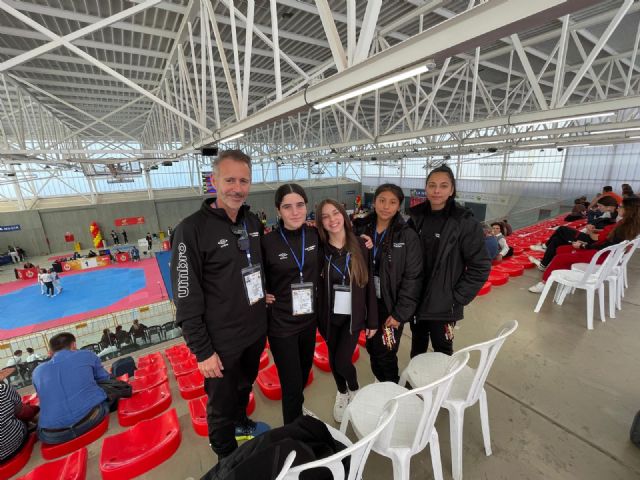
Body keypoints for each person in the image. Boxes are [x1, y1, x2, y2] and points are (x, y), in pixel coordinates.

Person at [170, 149, 269, 460]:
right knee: (220, 404)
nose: (237, 188)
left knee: (244, 388)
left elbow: (251, 268)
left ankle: (241, 425)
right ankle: (226, 459)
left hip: (254, 331)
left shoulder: (252, 221)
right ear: (213, 181)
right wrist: (202, 351)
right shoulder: (191, 229)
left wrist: (261, 292)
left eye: (244, 181)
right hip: (221, 341)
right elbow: (185, 295)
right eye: (229, 180)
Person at [408, 165, 491, 357]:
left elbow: (481, 265)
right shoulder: (416, 217)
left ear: (452, 190)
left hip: (445, 308)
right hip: (417, 300)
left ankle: (442, 387)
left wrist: (457, 298)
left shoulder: (465, 222)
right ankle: (416, 385)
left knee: (444, 348)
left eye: (444, 186)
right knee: (417, 346)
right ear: (426, 188)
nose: (437, 191)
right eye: (432, 185)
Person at [261, 184, 320, 424]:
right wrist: (260, 292)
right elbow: (248, 272)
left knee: (304, 375)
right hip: (282, 325)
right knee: (292, 385)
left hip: (309, 320)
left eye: (300, 205)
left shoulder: (317, 235)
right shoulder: (267, 243)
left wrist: (364, 240)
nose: (295, 212)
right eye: (287, 207)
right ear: (278, 210)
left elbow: (343, 244)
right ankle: (293, 434)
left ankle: (298, 413)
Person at [316, 199, 377, 422]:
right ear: (320, 222)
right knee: (333, 359)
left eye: (335, 213)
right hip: (329, 317)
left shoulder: (360, 245)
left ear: (344, 214)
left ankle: (354, 389)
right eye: (325, 216)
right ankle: (341, 393)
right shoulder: (320, 249)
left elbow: (368, 284)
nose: (332, 219)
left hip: (353, 316)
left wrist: (372, 320)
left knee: (342, 361)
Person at [353, 184, 422, 383]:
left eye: (392, 202)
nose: (386, 206)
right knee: (373, 348)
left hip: (391, 305)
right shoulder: (360, 227)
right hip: (367, 302)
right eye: (382, 200)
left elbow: (413, 276)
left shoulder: (407, 235)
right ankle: (382, 380)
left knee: (386, 352)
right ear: (374, 202)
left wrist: (400, 313)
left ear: (399, 205)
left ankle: (392, 389)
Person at [529, 196, 640, 293]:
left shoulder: (623, 227)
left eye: (621, 206)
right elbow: (607, 244)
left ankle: (544, 283)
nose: (618, 207)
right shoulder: (628, 225)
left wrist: (583, 246)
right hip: (607, 255)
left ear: (629, 210)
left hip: (601, 257)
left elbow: (604, 247)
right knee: (561, 249)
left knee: (560, 257)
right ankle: (563, 277)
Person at [32, 332, 112, 444]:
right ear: (74, 345)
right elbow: (105, 379)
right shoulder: (87, 355)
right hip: (92, 418)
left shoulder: (37, 371)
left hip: (52, 435)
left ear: (50, 352)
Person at [529, 196, 620, 267]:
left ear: (609, 207)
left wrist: (590, 231)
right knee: (556, 240)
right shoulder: (612, 217)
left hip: (591, 242)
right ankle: (543, 264)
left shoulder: (613, 218)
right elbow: (605, 232)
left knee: (562, 229)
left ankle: (545, 247)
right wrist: (595, 229)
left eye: (600, 206)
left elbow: (597, 239)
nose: (599, 208)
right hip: (593, 240)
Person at [0, 367, 39, 463]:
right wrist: (35, 409)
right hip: (12, 444)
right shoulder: (3, 389)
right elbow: (24, 413)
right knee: (22, 415)